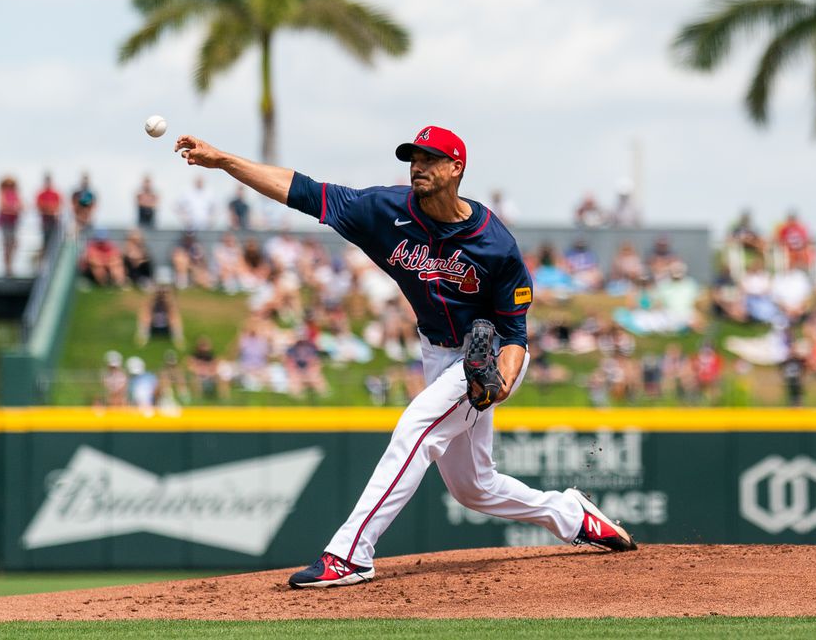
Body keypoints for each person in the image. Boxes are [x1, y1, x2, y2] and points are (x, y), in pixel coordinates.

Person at [174, 124, 637, 589]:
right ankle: (571, 514)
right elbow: (302, 190)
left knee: (416, 426)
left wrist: (495, 386)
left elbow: (516, 334)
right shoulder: (384, 211)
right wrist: (226, 161)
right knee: (473, 487)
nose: (418, 166)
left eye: (430, 158)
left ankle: (351, 553)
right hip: (437, 352)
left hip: (490, 353)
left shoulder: (495, 244)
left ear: (456, 168)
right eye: (413, 158)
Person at [0, 176, 23, 277]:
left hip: (14, 223)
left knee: (15, 244)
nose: (10, 187)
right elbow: (2, 206)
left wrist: (14, 208)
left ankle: (10, 265)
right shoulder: (2, 193)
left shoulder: (16, 194)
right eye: (8, 185)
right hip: (6, 223)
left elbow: (22, 206)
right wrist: (13, 208)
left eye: (11, 185)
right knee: (6, 245)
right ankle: (7, 268)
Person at [35, 173, 63, 253]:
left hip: (55, 221)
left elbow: (59, 206)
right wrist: (49, 209)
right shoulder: (41, 194)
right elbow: (39, 206)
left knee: (55, 242)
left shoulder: (55, 194)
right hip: (45, 222)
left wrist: (51, 209)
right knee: (45, 242)